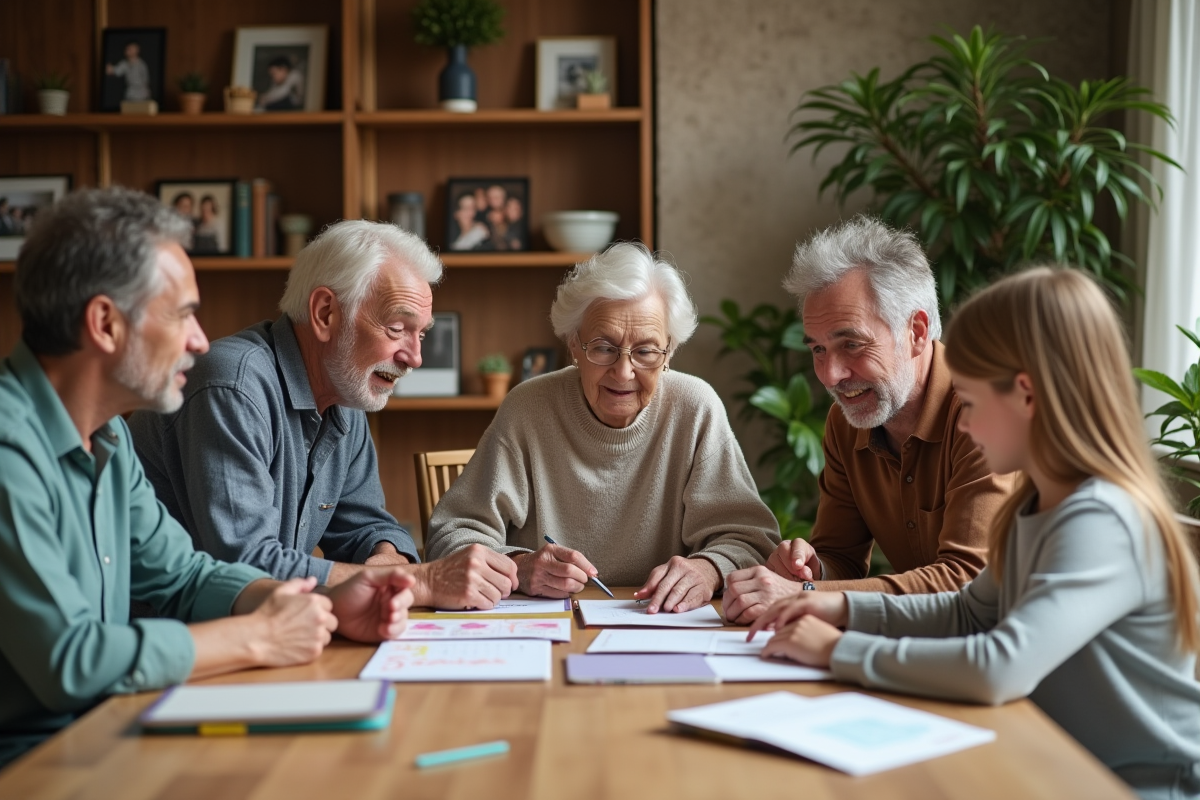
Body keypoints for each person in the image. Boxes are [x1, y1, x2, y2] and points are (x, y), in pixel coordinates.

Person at [0, 187, 414, 766]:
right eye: (183, 314)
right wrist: (257, 634)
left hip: (107, 731)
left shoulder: (109, 442)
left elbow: (187, 576)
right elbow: (71, 661)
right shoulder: (9, 448)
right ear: (105, 324)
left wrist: (316, 602)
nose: (199, 340)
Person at [750, 267, 1200, 800]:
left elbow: (1000, 667)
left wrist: (837, 652)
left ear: (1026, 395)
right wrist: (842, 609)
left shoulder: (1103, 520)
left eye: (973, 400)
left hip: (1134, 786)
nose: (962, 424)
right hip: (1053, 765)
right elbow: (968, 612)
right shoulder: (1035, 506)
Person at [128, 220, 519, 610]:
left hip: (261, 633)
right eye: (397, 328)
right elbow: (246, 568)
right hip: (171, 641)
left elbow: (368, 527)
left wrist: (389, 560)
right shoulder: (233, 385)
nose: (414, 357)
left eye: (422, 334)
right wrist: (419, 581)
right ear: (325, 313)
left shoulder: (343, 398)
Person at [425, 243, 780, 612]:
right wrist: (520, 566)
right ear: (574, 345)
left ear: (669, 352)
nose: (624, 372)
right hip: (544, 630)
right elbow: (451, 536)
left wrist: (708, 569)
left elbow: (751, 539)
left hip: (660, 629)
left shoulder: (696, 408)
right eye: (603, 347)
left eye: (645, 351)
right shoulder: (528, 408)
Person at [722, 216, 1014, 623]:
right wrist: (811, 570)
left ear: (916, 331)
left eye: (851, 345)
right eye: (819, 350)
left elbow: (966, 584)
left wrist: (804, 595)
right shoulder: (847, 422)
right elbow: (842, 558)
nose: (830, 376)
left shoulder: (985, 413)